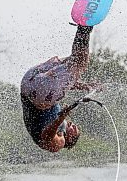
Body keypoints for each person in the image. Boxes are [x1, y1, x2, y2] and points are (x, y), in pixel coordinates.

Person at [20, 25, 102, 153]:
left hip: (33, 85)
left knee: (78, 62)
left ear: (70, 139)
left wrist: (61, 117)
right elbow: (58, 85)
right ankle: (83, 29)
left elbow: (47, 137)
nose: (74, 126)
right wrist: (84, 86)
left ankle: (83, 29)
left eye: (75, 131)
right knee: (74, 61)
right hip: (31, 86)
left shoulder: (58, 144)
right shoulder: (58, 117)